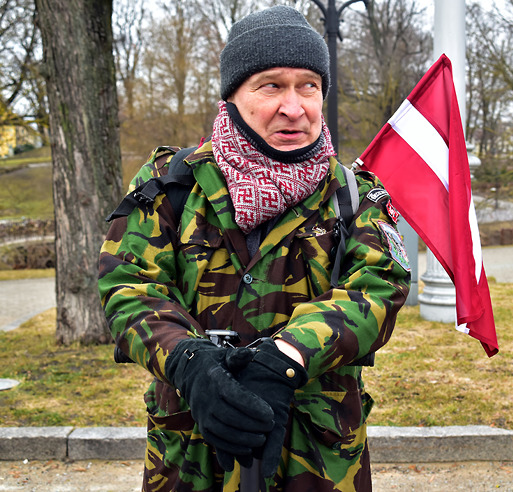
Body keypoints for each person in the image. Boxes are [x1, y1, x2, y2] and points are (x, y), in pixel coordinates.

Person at [98, 5, 411, 491]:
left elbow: (378, 288)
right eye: (271, 86)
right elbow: (127, 284)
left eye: (308, 85)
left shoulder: (355, 194)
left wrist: (288, 357)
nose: (295, 106)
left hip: (319, 463)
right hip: (191, 460)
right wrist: (188, 362)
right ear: (232, 97)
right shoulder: (170, 184)